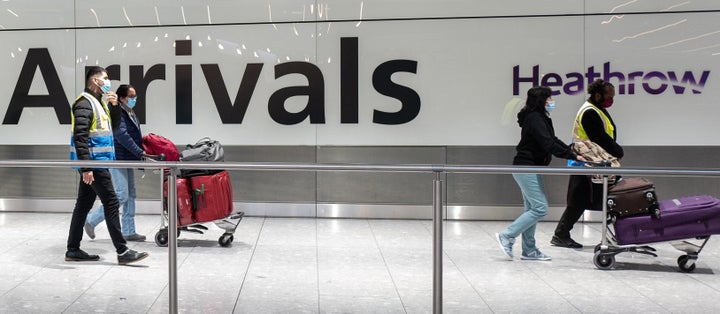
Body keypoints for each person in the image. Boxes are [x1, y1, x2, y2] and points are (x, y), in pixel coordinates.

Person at [66, 66, 148, 265]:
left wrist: (113, 106)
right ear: (95, 80)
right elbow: (81, 137)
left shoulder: (99, 103)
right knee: (111, 202)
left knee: (83, 205)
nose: (108, 81)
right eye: (105, 78)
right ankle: (122, 251)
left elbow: (113, 126)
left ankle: (73, 249)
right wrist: (86, 167)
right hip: (94, 165)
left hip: (97, 163)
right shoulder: (84, 103)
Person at [496, 86, 584, 261]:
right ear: (542, 100)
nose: (552, 101)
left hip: (531, 167)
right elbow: (547, 144)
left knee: (532, 208)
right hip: (526, 167)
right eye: (549, 98)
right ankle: (508, 235)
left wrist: (571, 151)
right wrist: (570, 154)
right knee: (540, 208)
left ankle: (529, 250)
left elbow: (552, 140)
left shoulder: (540, 117)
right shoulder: (535, 118)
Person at [551, 79, 624, 248]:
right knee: (579, 200)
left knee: (586, 200)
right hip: (585, 164)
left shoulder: (597, 109)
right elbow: (600, 137)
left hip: (594, 164)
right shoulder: (590, 112)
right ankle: (560, 234)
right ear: (597, 95)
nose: (611, 100)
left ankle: (562, 234)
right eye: (609, 96)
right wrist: (618, 151)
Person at [84, 84, 146, 242]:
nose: (134, 99)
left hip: (127, 158)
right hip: (118, 157)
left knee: (131, 194)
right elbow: (121, 135)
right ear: (122, 98)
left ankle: (129, 231)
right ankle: (91, 220)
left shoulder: (128, 111)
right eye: (131, 97)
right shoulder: (117, 111)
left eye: (135, 96)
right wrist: (139, 151)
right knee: (121, 195)